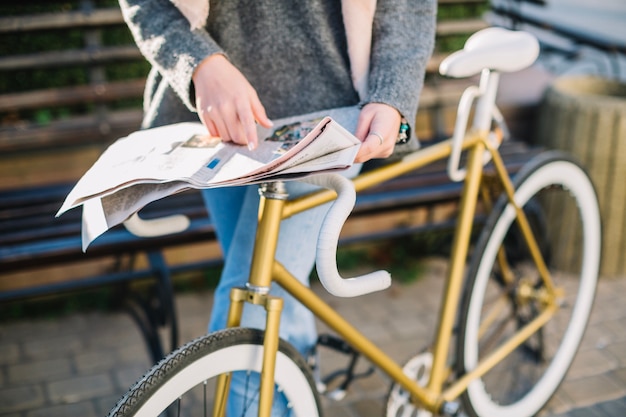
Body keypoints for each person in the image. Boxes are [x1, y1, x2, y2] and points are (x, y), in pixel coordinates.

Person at [119, 0, 436, 414]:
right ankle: (298, 395)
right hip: (220, 121)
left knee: (248, 308)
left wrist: (391, 94)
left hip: (328, 123)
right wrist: (199, 63)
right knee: (276, 301)